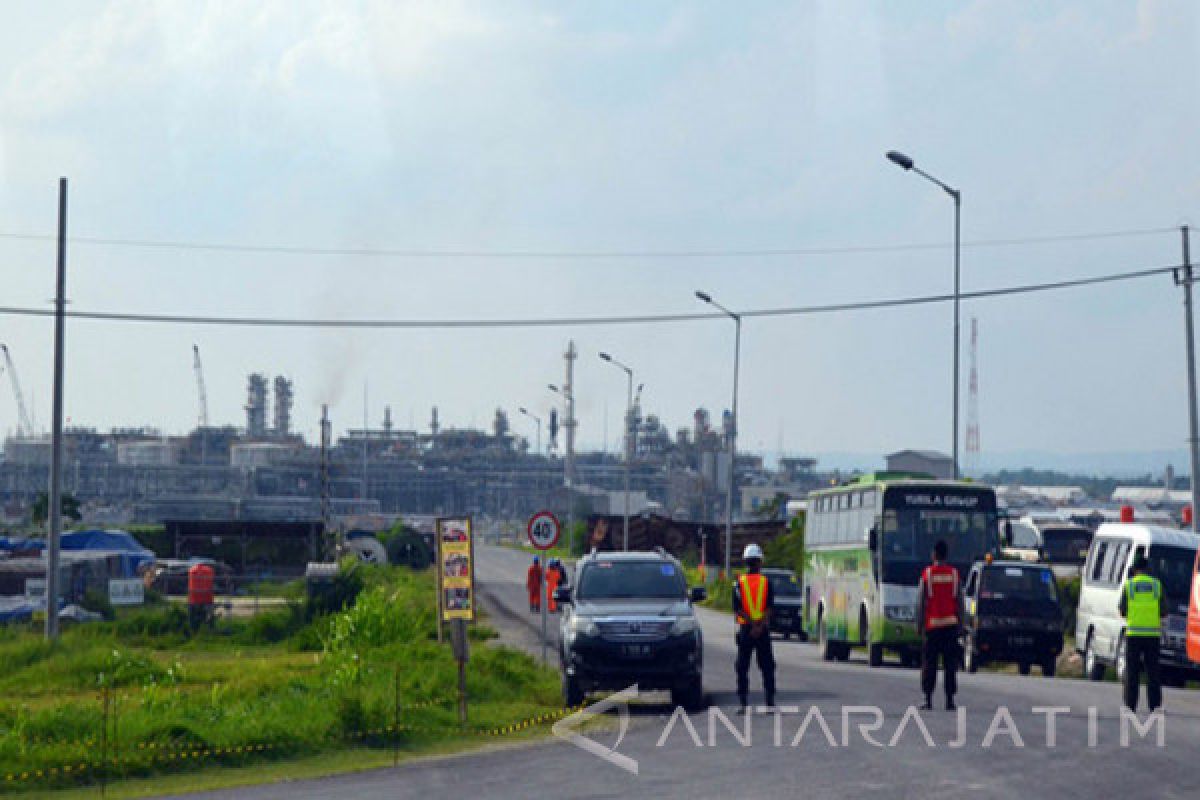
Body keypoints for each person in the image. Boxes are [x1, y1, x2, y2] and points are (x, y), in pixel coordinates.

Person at [915, 539, 963, 711]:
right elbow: (960, 602)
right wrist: (961, 625)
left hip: (932, 628)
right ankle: (949, 700)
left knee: (930, 664)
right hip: (950, 627)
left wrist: (919, 625)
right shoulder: (955, 575)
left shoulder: (927, 575)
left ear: (934, 555)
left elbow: (921, 602)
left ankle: (928, 699)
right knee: (950, 665)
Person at [1118, 552, 1168, 712]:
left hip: (1133, 635)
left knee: (1132, 671)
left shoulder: (1129, 585)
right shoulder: (1156, 585)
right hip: (1152, 636)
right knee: (1153, 672)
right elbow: (1164, 611)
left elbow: (1122, 610)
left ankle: (1130, 705)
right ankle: (1154, 706)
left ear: (1135, 569)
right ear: (1147, 569)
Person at [733, 543, 776, 712]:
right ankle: (769, 701)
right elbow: (770, 607)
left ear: (746, 562)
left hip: (746, 630)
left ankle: (743, 703)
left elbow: (738, 609)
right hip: (762, 630)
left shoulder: (738, 583)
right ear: (759, 562)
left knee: (742, 666)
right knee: (767, 666)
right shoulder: (766, 582)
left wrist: (751, 625)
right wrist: (760, 625)